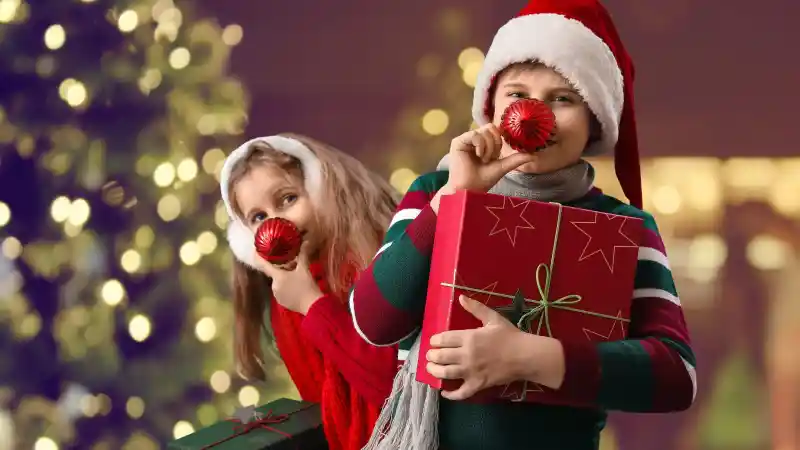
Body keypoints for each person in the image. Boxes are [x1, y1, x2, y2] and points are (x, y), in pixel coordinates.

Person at [351, 1, 697, 449]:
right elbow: (374, 320)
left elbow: (677, 375)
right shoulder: (435, 190)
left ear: (594, 120)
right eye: (517, 94)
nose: (536, 114)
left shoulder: (624, 227)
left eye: (563, 98)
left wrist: (531, 358)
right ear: (491, 106)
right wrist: (456, 200)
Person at [219, 133, 400, 450]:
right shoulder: (288, 295)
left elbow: (394, 388)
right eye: (258, 217)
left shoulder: (372, 262)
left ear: (319, 192)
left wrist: (313, 305)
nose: (277, 223)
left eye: (288, 199)